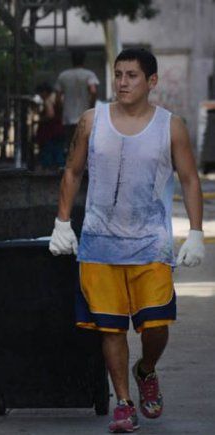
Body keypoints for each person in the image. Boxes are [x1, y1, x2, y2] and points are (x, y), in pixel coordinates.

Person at [49, 48, 205, 433]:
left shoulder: (171, 126)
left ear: (151, 82)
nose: (122, 82)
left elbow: (189, 179)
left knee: (156, 325)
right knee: (111, 329)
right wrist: (62, 223)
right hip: (99, 245)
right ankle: (123, 402)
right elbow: (72, 170)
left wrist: (197, 233)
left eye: (132, 75)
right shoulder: (92, 120)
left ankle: (146, 368)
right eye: (118, 74)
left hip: (151, 245)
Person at [55, 48, 99, 150]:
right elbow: (93, 91)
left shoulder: (63, 75)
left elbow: (57, 98)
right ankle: (84, 165)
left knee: (71, 145)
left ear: (72, 60)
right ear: (84, 60)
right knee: (85, 144)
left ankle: (72, 165)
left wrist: (61, 110)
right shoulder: (89, 74)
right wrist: (91, 106)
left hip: (68, 117)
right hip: (84, 116)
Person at [34, 82, 66, 171]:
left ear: (44, 92)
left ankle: (49, 170)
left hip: (50, 131)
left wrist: (40, 119)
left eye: (40, 93)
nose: (40, 96)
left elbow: (50, 115)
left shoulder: (48, 100)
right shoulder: (57, 98)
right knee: (58, 150)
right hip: (59, 129)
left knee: (49, 151)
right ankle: (60, 168)